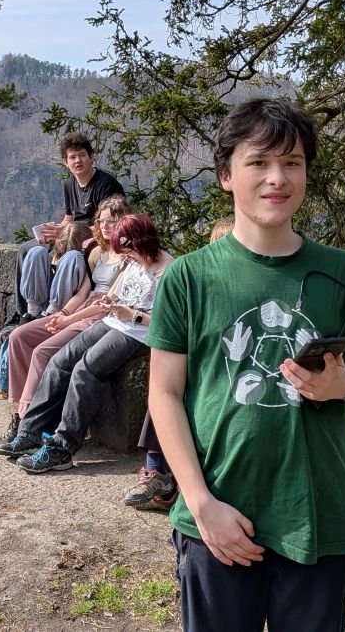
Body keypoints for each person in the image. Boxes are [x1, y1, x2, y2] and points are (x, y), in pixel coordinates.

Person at [146, 98, 345, 631]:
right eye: (258, 162)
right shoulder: (188, 278)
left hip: (317, 517)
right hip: (217, 516)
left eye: (292, 163)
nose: (276, 178)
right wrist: (200, 504)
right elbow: (164, 394)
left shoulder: (342, 273)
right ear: (226, 176)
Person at [0, 213, 173, 474]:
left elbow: (166, 321)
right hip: (113, 321)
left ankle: (63, 447)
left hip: (137, 333)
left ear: (141, 242)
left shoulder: (169, 270)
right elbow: (108, 299)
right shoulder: (133, 262)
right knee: (59, 361)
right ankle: (31, 432)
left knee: (85, 370)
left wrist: (133, 315)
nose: (128, 258)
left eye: (129, 252)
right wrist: (69, 318)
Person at [0, 195, 131, 453]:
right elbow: (83, 293)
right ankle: (21, 414)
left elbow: (108, 301)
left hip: (99, 317)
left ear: (124, 222)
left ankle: (29, 427)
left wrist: (70, 320)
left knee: (42, 352)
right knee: (18, 337)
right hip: (81, 309)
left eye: (112, 221)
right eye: (102, 221)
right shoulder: (98, 251)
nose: (106, 227)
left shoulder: (127, 257)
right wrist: (61, 314)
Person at [122, 213, 235, 513]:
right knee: (166, 388)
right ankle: (157, 472)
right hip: (201, 369)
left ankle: (161, 476)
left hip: (225, 376)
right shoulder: (200, 287)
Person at [15, 132, 125, 320]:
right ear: (65, 162)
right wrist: (53, 231)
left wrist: (66, 230)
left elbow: (112, 224)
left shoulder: (106, 185)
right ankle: (24, 311)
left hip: (95, 237)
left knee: (71, 254)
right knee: (27, 250)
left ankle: (54, 307)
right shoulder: (70, 184)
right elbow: (69, 217)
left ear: (91, 157)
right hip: (71, 232)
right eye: (72, 157)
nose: (78, 161)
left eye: (82, 155)